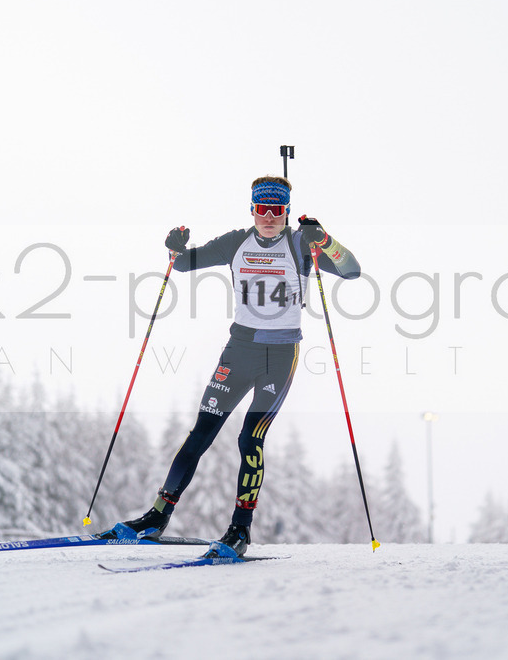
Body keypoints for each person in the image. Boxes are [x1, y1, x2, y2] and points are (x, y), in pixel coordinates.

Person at [98, 175, 361, 556]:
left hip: (280, 355)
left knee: (250, 437)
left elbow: (351, 270)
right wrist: (175, 248)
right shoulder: (237, 241)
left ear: (287, 212)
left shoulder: (301, 242)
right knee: (201, 432)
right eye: (261, 208)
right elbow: (186, 263)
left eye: (277, 209)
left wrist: (325, 241)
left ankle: (240, 530)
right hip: (238, 351)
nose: (269, 216)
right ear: (251, 209)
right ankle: (157, 516)